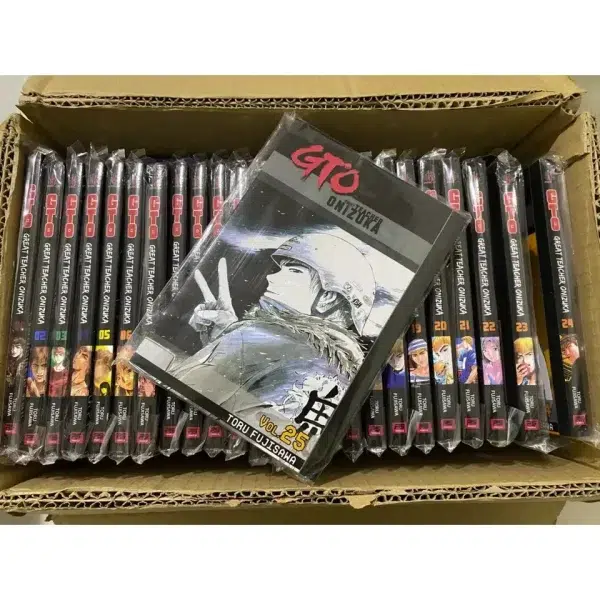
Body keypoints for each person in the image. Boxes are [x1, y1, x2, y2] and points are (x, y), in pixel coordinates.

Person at [169, 232, 375, 439]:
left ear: (327, 297)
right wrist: (230, 333)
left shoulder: (258, 339)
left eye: (294, 270)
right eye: (279, 269)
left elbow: (181, 388)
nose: (270, 277)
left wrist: (236, 341)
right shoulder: (342, 374)